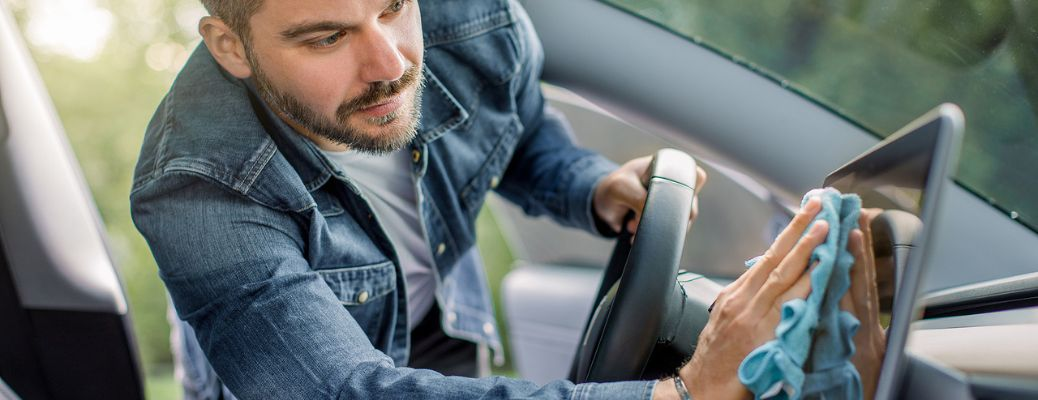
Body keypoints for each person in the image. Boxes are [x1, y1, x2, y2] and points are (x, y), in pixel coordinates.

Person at [130, 0, 884, 398]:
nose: (390, 64)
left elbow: (519, 133)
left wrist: (593, 185)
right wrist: (683, 396)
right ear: (232, 47)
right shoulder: (197, 186)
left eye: (393, 4)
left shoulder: (477, 23)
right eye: (327, 38)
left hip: (443, 326)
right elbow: (344, 393)